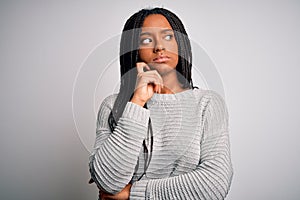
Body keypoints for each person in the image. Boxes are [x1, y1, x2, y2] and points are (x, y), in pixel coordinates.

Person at [88, 7, 233, 200]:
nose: (159, 47)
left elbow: (213, 184)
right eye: (146, 40)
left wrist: (133, 193)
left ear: (180, 43)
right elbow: (107, 182)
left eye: (167, 37)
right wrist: (138, 101)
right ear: (134, 50)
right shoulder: (113, 106)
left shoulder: (207, 104)